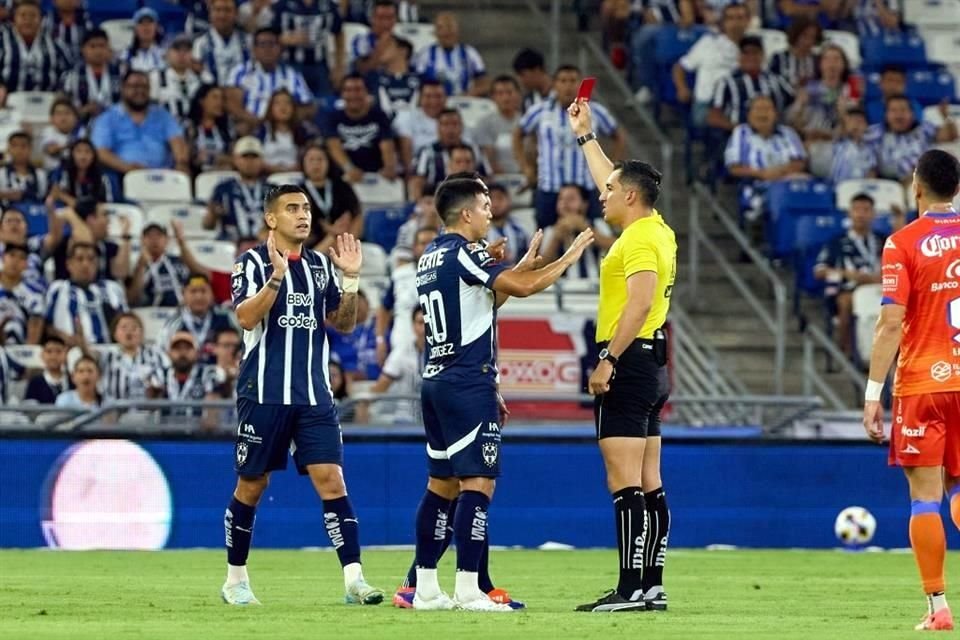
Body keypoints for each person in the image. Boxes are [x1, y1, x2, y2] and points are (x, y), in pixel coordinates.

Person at [405, 173, 594, 611]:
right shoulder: (464, 251)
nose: (491, 210)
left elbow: (482, 303)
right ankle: (471, 588)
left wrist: (520, 265)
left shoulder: (431, 255)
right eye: (485, 204)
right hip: (465, 381)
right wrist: (566, 257)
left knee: (441, 484)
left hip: (435, 378)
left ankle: (427, 589)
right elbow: (522, 289)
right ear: (466, 213)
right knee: (479, 483)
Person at [221, 184, 383, 605]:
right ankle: (235, 580)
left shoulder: (318, 266)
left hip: (314, 394)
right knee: (252, 485)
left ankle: (354, 581)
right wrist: (276, 277)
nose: (303, 215)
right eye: (292, 208)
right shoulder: (252, 262)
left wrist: (349, 278)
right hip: (264, 392)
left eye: (307, 208)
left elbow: (344, 324)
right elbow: (244, 317)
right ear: (271, 218)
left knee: (332, 480)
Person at [567, 96, 677, 612]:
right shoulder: (656, 230)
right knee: (649, 479)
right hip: (654, 363)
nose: (602, 194)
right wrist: (586, 136)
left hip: (629, 362)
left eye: (610, 191)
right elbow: (612, 177)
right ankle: (650, 584)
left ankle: (631, 588)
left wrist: (608, 357)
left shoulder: (635, 241)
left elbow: (640, 300)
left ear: (630, 197)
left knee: (623, 480)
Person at [863, 149, 960, 631]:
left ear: (916, 187)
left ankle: (938, 607)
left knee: (926, 496)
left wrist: (871, 394)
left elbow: (889, 323)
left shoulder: (902, 242)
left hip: (922, 382)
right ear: (957, 188)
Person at [515, 64, 625, 228]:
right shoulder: (540, 110)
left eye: (573, 81)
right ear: (554, 84)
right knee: (545, 239)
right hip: (549, 187)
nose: (568, 86)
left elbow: (619, 136)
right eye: (563, 80)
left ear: (580, 84)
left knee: (594, 236)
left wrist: (612, 169)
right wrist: (526, 167)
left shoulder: (595, 111)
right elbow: (518, 134)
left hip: (587, 187)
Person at [813, 193, 884, 358]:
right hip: (849, 289)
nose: (860, 214)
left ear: (873, 214)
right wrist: (848, 274)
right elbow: (819, 271)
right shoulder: (836, 242)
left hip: (881, 288)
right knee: (845, 302)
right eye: (856, 209)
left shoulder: (883, 240)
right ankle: (846, 352)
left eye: (866, 210)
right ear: (849, 213)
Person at [90, 70, 191, 174]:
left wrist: (181, 162)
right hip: (123, 175)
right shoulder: (108, 118)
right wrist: (128, 168)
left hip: (162, 176)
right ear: (123, 89)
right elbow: (100, 152)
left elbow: (178, 142)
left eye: (144, 87)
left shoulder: (162, 115)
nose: (140, 91)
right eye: (134, 86)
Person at [45, 241, 129, 346]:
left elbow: (126, 321)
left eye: (91, 259)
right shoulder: (58, 288)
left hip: (109, 351)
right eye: (80, 259)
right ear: (69, 264)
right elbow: (47, 325)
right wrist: (65, 338)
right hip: (70, 351)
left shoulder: (112, 288)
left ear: (97, 263)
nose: (85, 264)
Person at [323, 73, 397, 182]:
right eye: (348, 90)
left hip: (375, 176)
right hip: (343, 178)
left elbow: (387, 146)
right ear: (342, 94)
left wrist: (389, 167)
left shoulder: (380, 116)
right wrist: (349, 169)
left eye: (358, 90)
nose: (353, 95)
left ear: (367, 93)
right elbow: (334, 147)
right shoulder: (333, 117)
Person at [128, 220, 207, 307]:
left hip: (183, 310)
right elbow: (132, 299)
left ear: (167, 240)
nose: (154, 239)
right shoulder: (137, 266)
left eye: (159, 235)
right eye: (149, 236)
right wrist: (141, 266)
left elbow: (203, 277)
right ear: (142, 241)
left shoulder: (179, 261)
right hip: (152, 313)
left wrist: (181, 243)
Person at [299, 143, 362, 249]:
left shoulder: (342, 186)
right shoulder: (297, 191)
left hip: (345, 241)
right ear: (303, 164)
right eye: (311, 160)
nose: (316, 164)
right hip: (313, 245)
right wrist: (330, 230)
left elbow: (356, 215)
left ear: (328, 162)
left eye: (320, 159)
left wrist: (348, 241)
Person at [205, 136, 269, 241]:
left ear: (262, 160)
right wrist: (213, 213)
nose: (250, 162)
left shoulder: (274, 190)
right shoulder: (223, 189)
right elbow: (208, 226)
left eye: (254, 157)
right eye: (245, 157)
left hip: (265, 247)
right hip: (231, 247)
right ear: (235, 159)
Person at [412, 12, 488, 97]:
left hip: (463, 103)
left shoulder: (470, 53)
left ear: (457, 30)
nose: (446, 32)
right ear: (435, 32)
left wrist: (468, 95)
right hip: (433, 104)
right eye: (441, 28)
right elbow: (415, 83)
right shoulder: (424, 54)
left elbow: (484, 83)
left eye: (450, 27)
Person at [0, 0, 69, 92]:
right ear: (14, 19)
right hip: (8, 100)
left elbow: (68, 73)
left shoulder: (55, 44)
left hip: (47, 100)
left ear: (41, 20)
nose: (28, 20)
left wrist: (61, 92)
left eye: (33, 15)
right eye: (23, 15)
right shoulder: (2, 40)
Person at [100, 311, 169, 401]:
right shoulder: (107, 356)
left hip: (150, 411)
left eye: (134, 328)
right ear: (115, 334)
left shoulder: (157, 355)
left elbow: (170, 379)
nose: (129, 332)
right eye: (124, 327)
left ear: (141, 333)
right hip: (115, 411)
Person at [150, 33, 213, 126]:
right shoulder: (156, 77)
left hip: (197, 131)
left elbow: (212, 94)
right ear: (167, 53)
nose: (182, 54)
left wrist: (202, 72)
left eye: (187, 50)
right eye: (177, 49)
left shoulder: (201, 78)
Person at [61, 28, 121, 123]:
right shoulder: (71, 77)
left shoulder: (121, 73)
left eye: (102, 46)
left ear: (108, 48)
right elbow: (62, 108)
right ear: (83, 49)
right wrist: (84, 110)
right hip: (81, 127)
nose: (98, 51)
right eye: (92, 46)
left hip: (116, 125)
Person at [256, 88, 319, 173]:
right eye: (278, 103)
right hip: (267, 178)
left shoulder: (302, 131)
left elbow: (309, 155)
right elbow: (254, 157)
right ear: (271, 107)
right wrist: (272, 168)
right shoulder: (262, 130)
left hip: (296, 178)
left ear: (293, 107)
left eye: (287, 103)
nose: (283, 107)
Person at [192, 0, 250, 86]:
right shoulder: (200, 43)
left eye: (227, 10)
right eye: (218, 10)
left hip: (242, 93)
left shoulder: (248, 41)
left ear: (236, 14)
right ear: (210, 13)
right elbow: (197, 73)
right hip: (212, 93)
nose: (222, 15)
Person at [474, 75, 522, 175]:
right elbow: (489, 158)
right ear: (493, 97)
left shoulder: (525, 121)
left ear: (518, 94)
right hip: (497, 177)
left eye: (509, 92)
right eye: (500, 93)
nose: (505, 98)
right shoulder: (484, 123)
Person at [47, 138, 115, 208]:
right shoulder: (63, 173)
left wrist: (75, 203)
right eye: (78, 151)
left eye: (87, 152)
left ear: (93, 156)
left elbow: (108, 205)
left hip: (95, 215)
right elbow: (54, 194)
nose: (83, 156)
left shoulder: (102, 177)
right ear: (72, 154)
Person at [0, 241, 44, 344]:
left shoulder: (35, 293)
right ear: (3, 257)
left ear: (26, 264)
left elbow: (36, 325)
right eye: (12, 255)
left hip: (20, 350)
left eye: (22, 257)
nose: (15, 261)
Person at [187, 84, 235, 174]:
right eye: (215, 98)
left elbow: (235, 158)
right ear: (201, 101)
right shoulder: (189, 126)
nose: (219, 102)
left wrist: (212, 158)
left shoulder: (227, 129)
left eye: (222, 99)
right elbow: (190, 157)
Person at [24, 335, 67, 404]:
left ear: (65, 354)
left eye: (58, 351)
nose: (53, 356)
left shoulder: (74, 380)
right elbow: (30, 410)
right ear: (42, 355)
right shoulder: (35, 383)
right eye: (49, 351)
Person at [123, 7, 167, 74]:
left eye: (150, 22)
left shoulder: (165, 54)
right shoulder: (126, 55)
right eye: (141, 22)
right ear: (135, 29)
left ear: (157, 27)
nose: (146, 26)